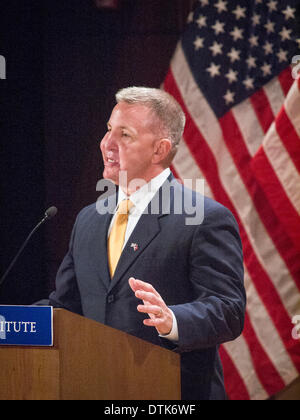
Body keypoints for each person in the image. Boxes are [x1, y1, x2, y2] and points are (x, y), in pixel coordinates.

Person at [43, 87, 246, 400]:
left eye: (125, 134)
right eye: (109, 129)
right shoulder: (88, 219)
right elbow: (66, 307)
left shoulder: (203, 218)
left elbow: (228, 310)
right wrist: (12, 322)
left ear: (159, 150)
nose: (107, 143)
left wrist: (172, 320)